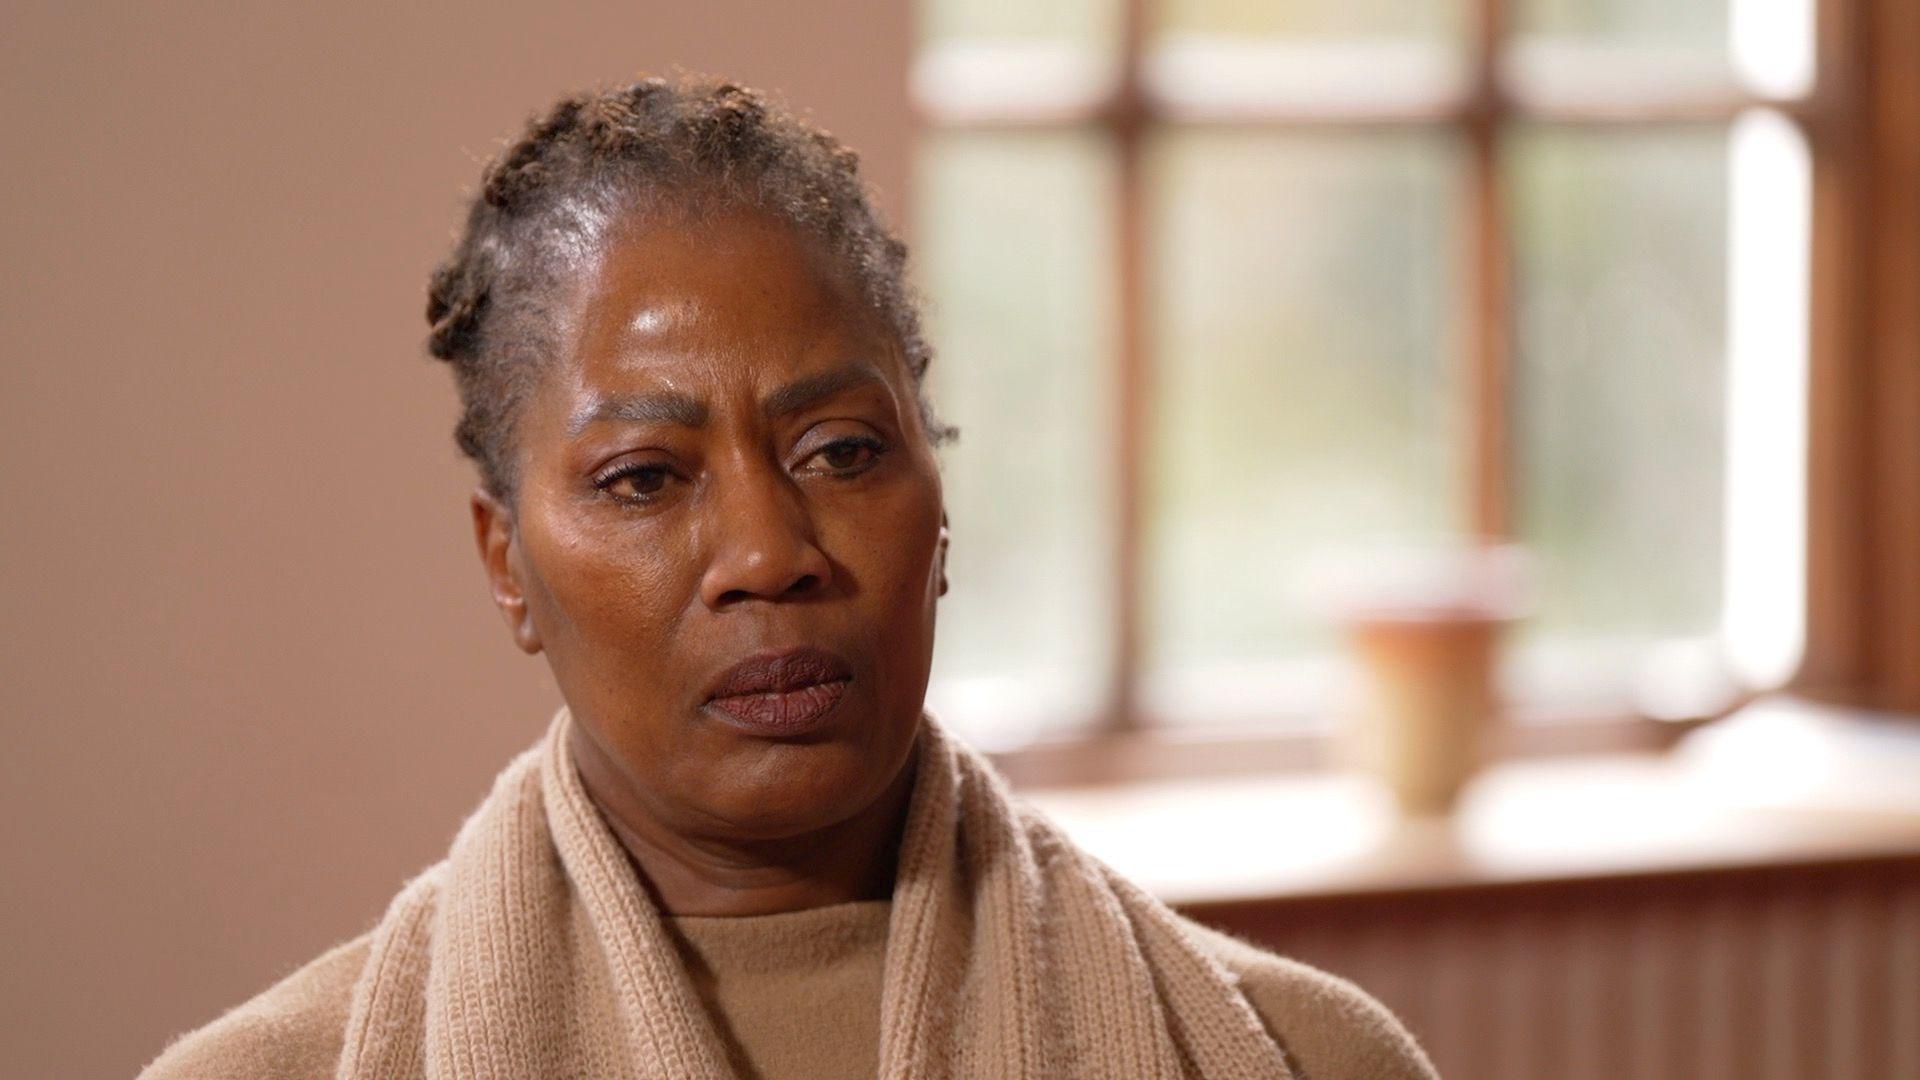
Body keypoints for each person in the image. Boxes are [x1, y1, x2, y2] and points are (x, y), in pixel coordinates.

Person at [139, 76, 1438, 1080]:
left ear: (940, 508)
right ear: (508, 567)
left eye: (842, 451)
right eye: (645, 477)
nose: (769, 555)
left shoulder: (1295, 1057)